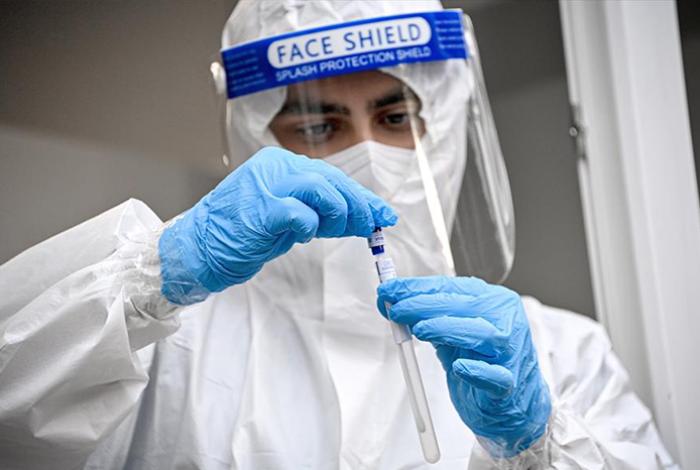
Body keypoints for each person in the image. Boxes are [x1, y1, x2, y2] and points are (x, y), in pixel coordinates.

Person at [0, 1, 679, 469]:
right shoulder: (167, 343)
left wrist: (536, 446)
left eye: (394, 118)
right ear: (257, 138)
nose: (367, 155)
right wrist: (150, 275)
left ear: (441, 125)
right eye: (319, 126)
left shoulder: (554, 352)